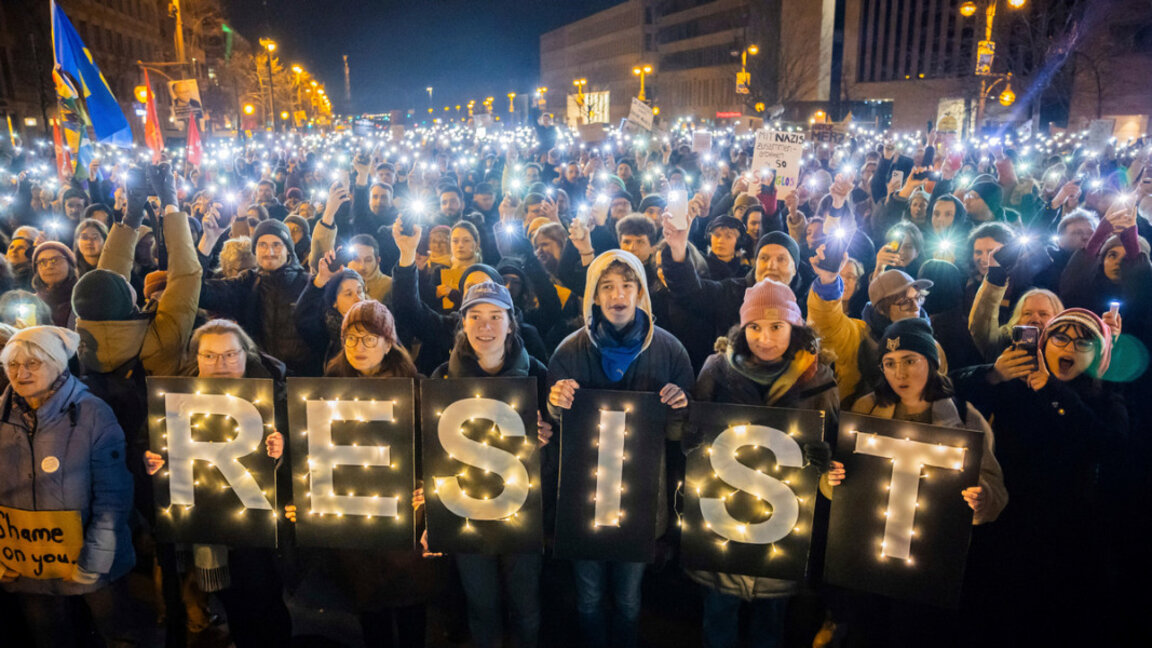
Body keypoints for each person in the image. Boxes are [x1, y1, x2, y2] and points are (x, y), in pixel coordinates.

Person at [270, 300, 442, 647]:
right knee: (370, 607)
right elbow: (315, 451)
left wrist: (428, 485)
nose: (357, 348)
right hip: (356, 522)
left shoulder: (417, 388)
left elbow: (434, 451)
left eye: (368, 339)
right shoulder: (328, 388)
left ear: (389, 342)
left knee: (411, 609)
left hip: (406, 517)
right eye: (350, 338)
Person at [828, 317, 1007, 645]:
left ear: (932, 363)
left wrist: (984, 499)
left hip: (929, 562)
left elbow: (993, 485)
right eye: (890, 363)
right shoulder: (866, 409)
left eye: (911, 360)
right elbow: (840, 482)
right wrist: (832, 478)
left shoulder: (965, 416)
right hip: (870, 559)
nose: (900, 373)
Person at [547, 249, 694, 648]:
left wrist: (681, 407)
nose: (618, 295)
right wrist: (554, 404)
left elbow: (683, 437)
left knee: (629, 599)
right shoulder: (568, 351)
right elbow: (553, 429)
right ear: (593, 296)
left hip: (643, 504)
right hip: (584, 501)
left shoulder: (670, 350)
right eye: (607, 286)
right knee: (590, 596)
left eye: (628, 285)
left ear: (641, 293)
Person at [952, 309, 1124, 646]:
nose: (1070, 347)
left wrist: (1054, 392)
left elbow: (1108, 444)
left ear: (1098, 354)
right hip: (1009, 521)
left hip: (1067, 533)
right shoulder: (1016, 386)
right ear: (1044, 343)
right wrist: (991, 374)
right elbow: (951, 396)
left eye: (1083, 340)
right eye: (1061, 337)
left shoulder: (1108, 398)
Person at [687, 278, 841, 648]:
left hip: (782, 530)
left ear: (795, 329)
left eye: (777, 327)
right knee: (719, 619)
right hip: (723, 523)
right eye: (754, 327)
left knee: (768, 627)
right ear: (742, 330)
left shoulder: (818, 379)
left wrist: (822, 459)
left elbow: (834, 447)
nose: (765, 338)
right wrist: (698, 439)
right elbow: (689, 435)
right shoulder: (716, 369)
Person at [144, 319, 293, 648]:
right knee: (234, 604)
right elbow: (150, 443)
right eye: (209, 356)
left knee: (266, 601)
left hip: (260, 531)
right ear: (195, 357)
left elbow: (303, 456)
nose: (220, 364)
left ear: (245, 353)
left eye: (229, 354)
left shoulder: (273, 393)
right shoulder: (174, 398)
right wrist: (152, 459)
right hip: (207, 528)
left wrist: (283, 451)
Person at [0, 326, 140, 647]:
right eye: (12, 365)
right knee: (50, 638)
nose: (21, 373)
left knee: (117, 635)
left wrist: (95, 560)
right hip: (29, 566)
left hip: (94, 566)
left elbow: (113, 497)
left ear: (58, 363)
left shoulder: (92, 414)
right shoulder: (1, 415)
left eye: (33, 363)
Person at [432, 281, 553, 648]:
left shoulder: (540, 375)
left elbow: (563, 453)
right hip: (467, 510)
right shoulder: (442, 379)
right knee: (481, 602)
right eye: (475, 316)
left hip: (523, 508)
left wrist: (547, 439)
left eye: (495, 316)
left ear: (511, 324)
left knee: (525, 603)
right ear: (463, 324)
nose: (485, 326)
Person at [197, 215, 317, 376]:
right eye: (262, 245)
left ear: (288, 249)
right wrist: (207, 243)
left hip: (302, 382)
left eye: (277, 244)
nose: (270, 252)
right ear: (255, 250)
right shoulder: (247, 282)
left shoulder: (309, 284)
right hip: (258, 379)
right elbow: (200, 294)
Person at [31, 241, 78, 327]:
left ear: (69, 264)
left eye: (55, 260)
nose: (49, 266)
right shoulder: (31, 303)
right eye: (42, 262)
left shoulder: (82, 299)